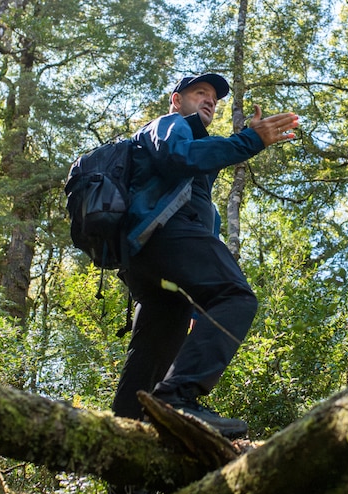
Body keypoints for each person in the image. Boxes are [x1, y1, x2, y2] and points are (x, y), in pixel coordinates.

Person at [110, 72, 299, 437]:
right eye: (200, 93)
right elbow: (179, 157)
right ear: (177, 100)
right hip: (164, 235)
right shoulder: (170, 125)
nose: (210, 100)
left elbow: (201, 216)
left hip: (150, 260)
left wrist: (200, 306)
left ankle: (122, 461)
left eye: (214, 97)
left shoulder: (199, 155)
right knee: (237, 296)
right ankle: (178, 397)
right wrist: (248, 141)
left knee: (152, 354)